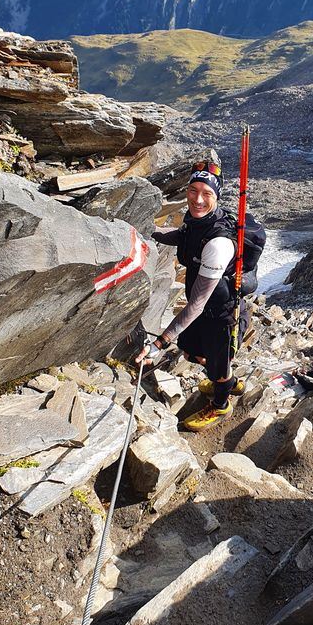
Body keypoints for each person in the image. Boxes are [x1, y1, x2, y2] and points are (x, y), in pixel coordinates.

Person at [136, 160, 248, 431]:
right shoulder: (197, 222)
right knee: (191, 350)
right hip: (204, 310)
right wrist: (146, 230)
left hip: (220, 314)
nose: (197, 199)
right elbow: (182, 236)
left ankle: (222, 404)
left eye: (207, 193)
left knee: (216, 365)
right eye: (193, 190)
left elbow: (197, 303)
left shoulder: (219, 244)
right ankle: (228, 380)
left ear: (217, 196)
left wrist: (160, 343)